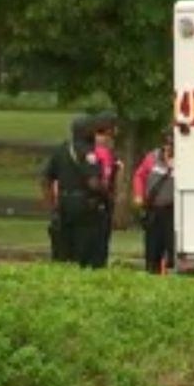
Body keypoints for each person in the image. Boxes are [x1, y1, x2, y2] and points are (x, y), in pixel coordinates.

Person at [39, 115, 109, 267]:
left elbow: (45, 178)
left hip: (64, 205)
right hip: (85, 207)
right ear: (87, 132)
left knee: (64, 251)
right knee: (85, 252)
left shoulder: (61, 150)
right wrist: (106, 194)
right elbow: (93, 183)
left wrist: (51, 205)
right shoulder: (88, 153)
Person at [132, 130, 175, 274]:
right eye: (166, 144)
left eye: (172, 145)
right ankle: (152, 270)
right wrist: (139, 195)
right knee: (152, 247)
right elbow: (139, 175)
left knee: (172, 246)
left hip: (172, 210)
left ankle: (170, 271)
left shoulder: (183, 161)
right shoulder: (152, 157)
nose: (169, 148)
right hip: (154, 209)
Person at [91, 110, 121, 268]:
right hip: (101, 202)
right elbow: (105, 177)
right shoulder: (102, 150)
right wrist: (110, 196)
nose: (117, 131)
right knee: (100, 241)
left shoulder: (90, 146)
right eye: (114, 127)